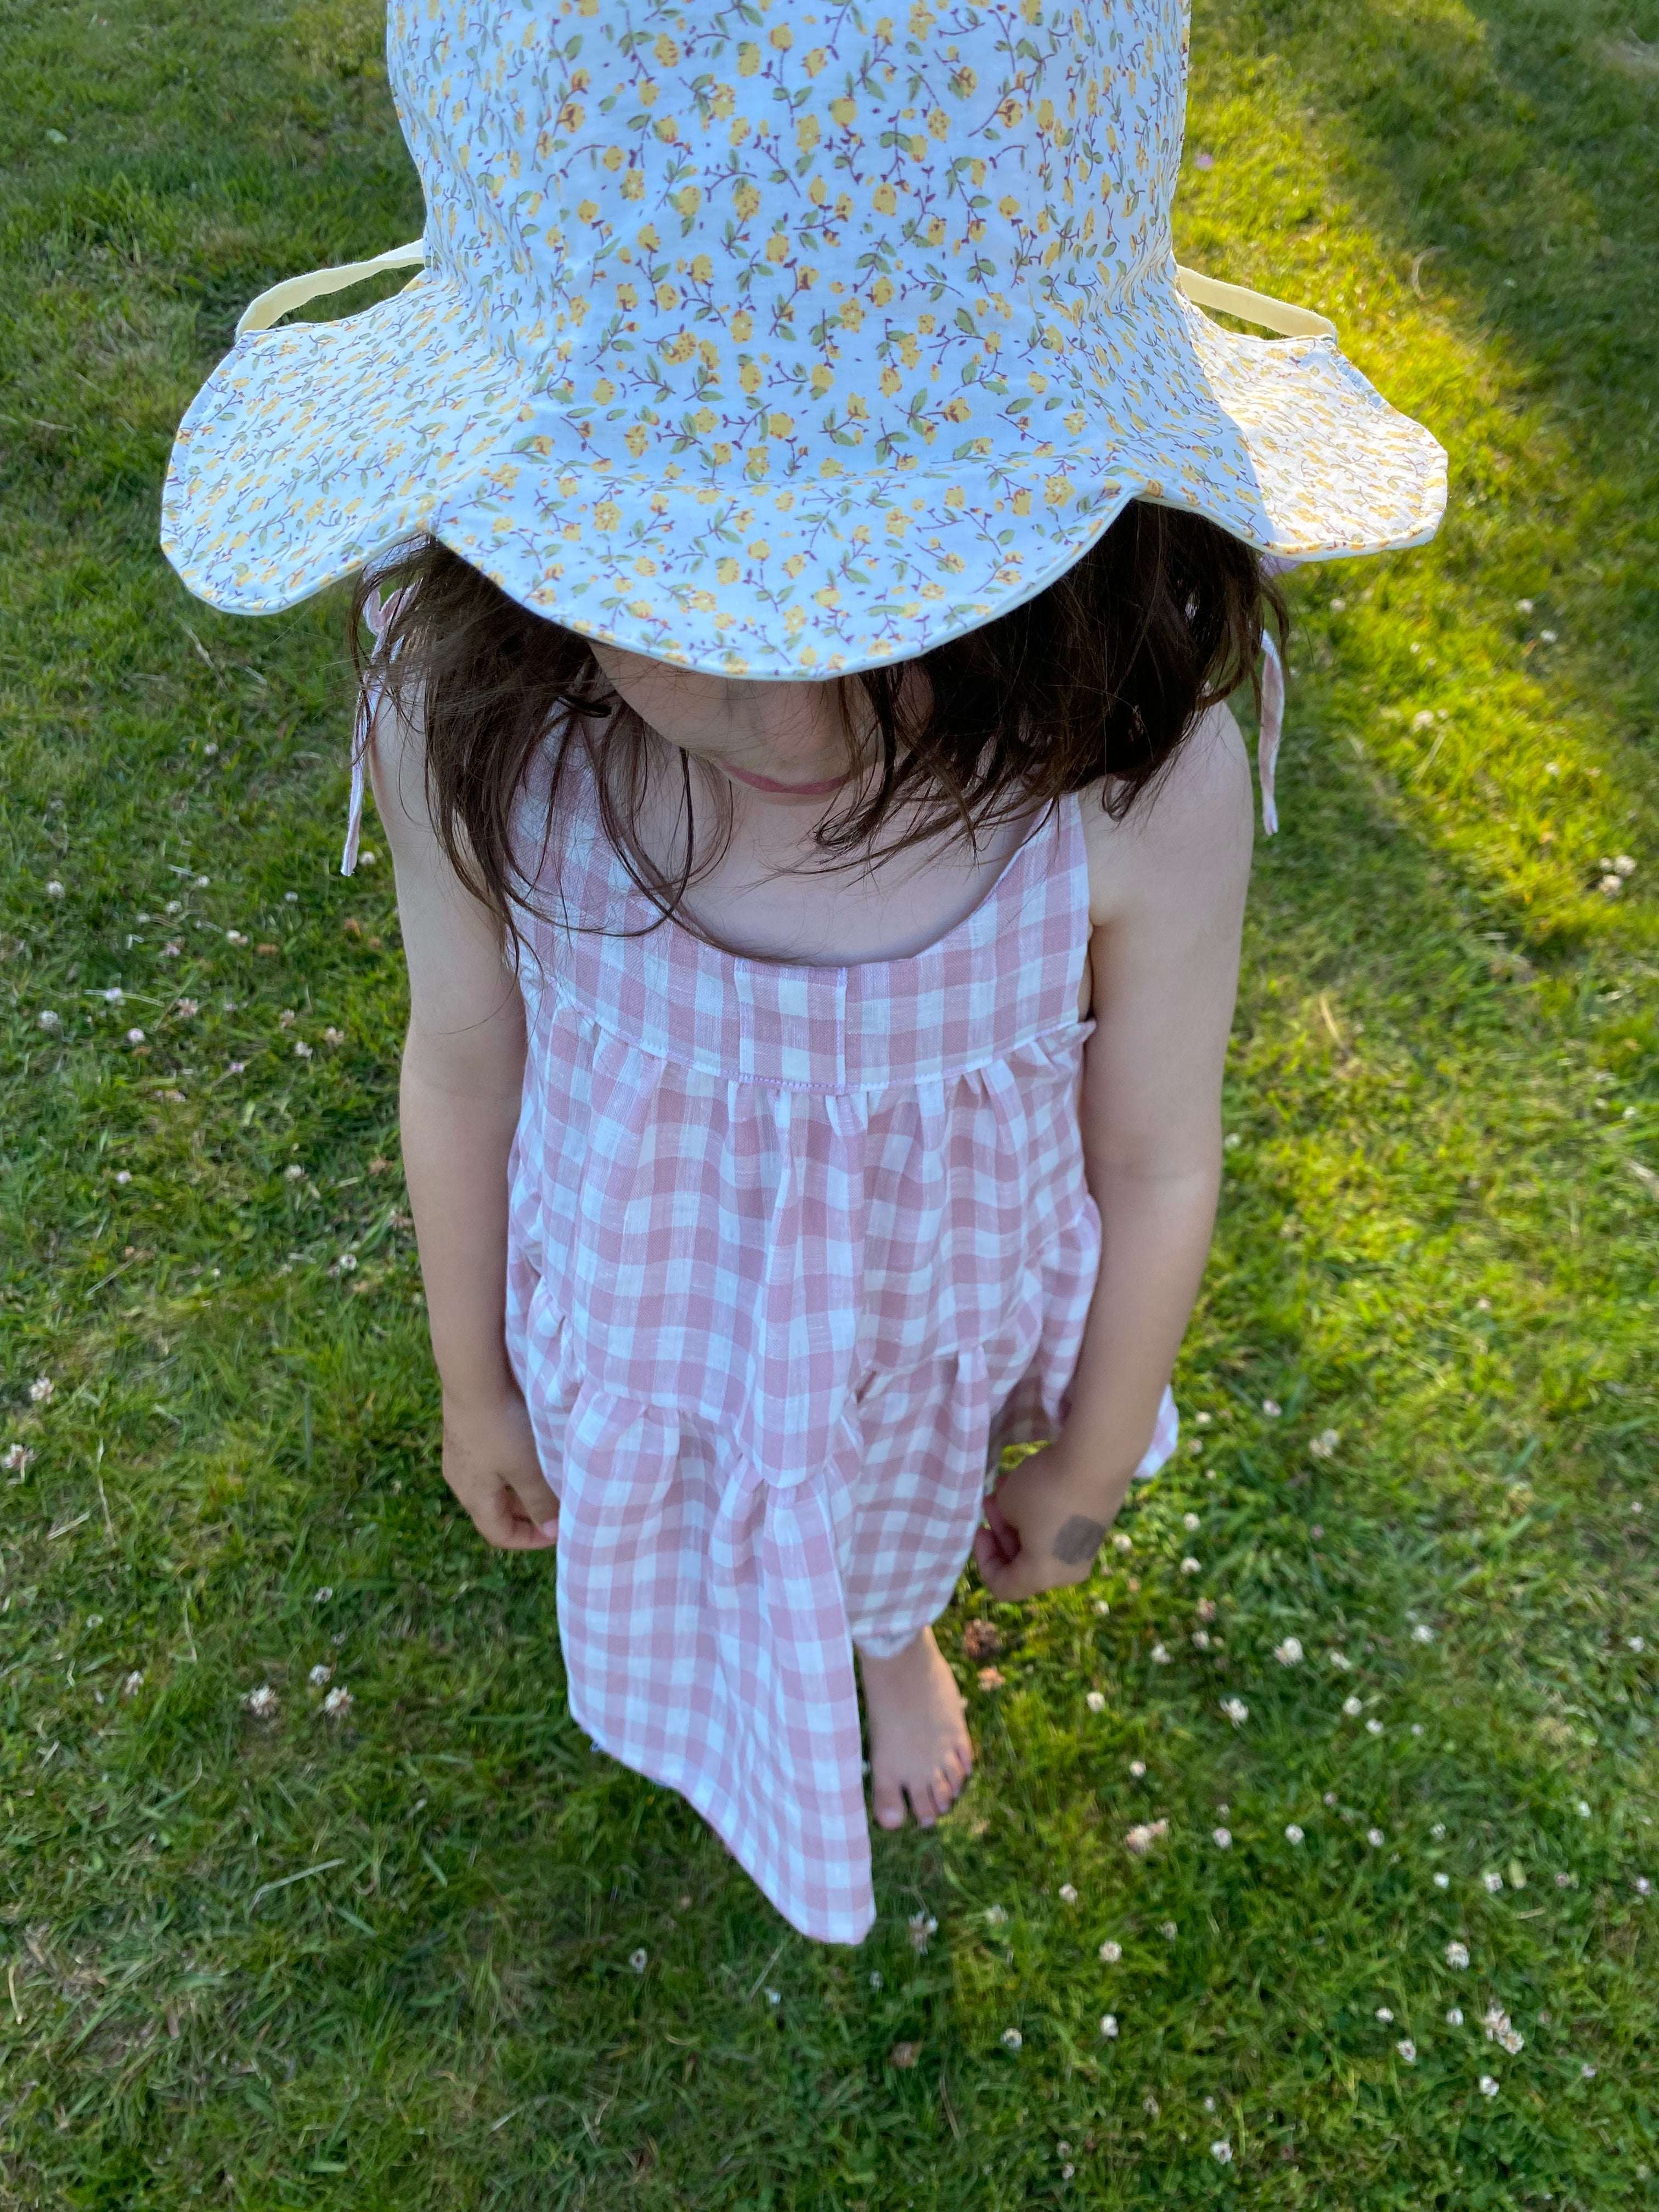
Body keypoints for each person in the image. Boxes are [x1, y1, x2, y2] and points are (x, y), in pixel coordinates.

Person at [161, 0, 1444, 1945]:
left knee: (891, 1498)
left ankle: (884, 1633)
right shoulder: (475, 713)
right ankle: (799, 1614)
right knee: (715, 1492)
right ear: (518, 526)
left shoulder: (1128, 783)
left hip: (933, 1331)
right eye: (679, 589)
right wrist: (473, 1382)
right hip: (649, 1300)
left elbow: (1161, 1151)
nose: (792, 707)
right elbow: (461, 1061)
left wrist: (1091, 1452)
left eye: (908, 588)